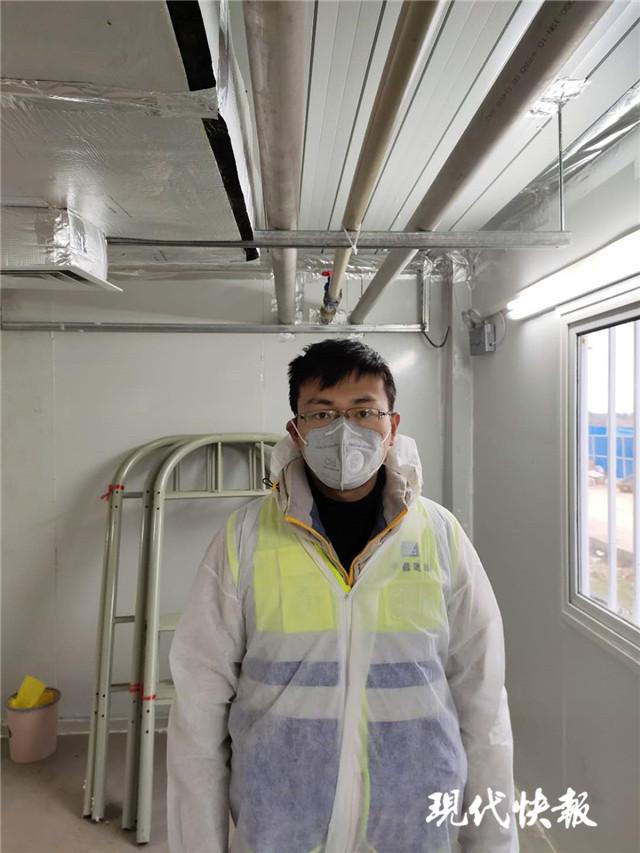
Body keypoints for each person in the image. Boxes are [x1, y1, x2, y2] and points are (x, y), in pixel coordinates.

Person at [167, 338, 518, 853]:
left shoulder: (439, 536)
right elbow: (198, 709)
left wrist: (492, 844)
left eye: (364, 411)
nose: (344, 430)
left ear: (392, 425)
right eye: (322, 413)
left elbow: (482, 704)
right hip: (281, 826)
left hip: (414, 824)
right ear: (296, 431)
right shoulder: (245, 538)